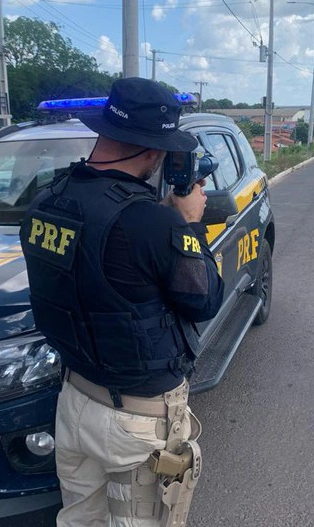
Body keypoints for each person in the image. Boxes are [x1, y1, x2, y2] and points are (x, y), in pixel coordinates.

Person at [20, 77, 224, 526]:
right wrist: (188, 225)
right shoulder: (150, 223)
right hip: (137, 418)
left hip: (74, 400)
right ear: (153, 151)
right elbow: (204, 299)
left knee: (79, 520)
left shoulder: (46, 200)